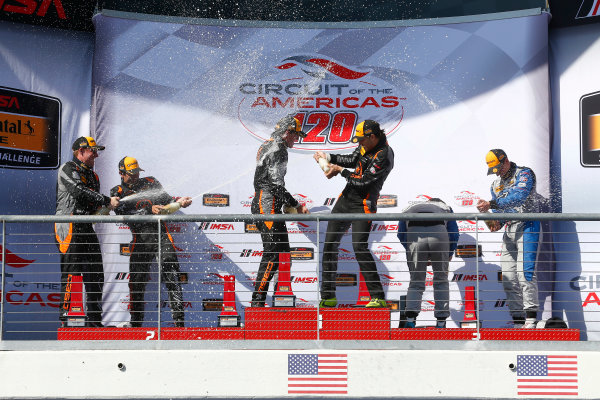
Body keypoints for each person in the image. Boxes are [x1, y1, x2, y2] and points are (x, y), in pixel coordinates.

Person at [314, 120, 394, 308]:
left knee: (359, 247)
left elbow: (363, 182)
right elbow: (352, 160)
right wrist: (327, 156)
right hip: (346, 199)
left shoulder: (384, 155)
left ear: (372, 137)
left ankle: (378, 297)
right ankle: (328, 297)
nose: (359, 143)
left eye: (362, 140)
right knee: (330, 245)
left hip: (363, 204)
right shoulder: (366, 144)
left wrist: (340, 171)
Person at [110, 156, 192, 327]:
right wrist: (149, 209)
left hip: (161, 236)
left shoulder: (150, 181)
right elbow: (124, 215)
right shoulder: (117, 191)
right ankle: (136, 324)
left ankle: (179, 324)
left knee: (172, 277)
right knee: (136, 283)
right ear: (121, 173)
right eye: (131, 174)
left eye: (137, 173)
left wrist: (179, 203)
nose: (135, 177)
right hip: (140, 240)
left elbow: (167, 200)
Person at [55, 136, 120, 327]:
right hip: (69, 223)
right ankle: (69, 321)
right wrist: (107, 200)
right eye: (93, 151)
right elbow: (78, 190)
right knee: (72, 272)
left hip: (86, 225)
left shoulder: (93, 175)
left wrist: (104, 209)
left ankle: (94, 321)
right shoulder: (68, 168)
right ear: (81, 151)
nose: (96, 155)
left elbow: (92, 202)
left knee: (95, 272)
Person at [476, 149, 542, 329]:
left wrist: (492, 204)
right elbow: (497, 222)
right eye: (494, 169)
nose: (497, 172)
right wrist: (487, 214)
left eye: (498, 167)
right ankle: (518, 320)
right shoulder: (495, 184)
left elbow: (519, 197)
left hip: (528, 224)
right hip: (510, 229)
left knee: (525, 274)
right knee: (508, 277)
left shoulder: (524, 173)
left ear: (505, 161)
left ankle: (531, 319)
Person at [250, 115, 309, 307]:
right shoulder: (279, 149)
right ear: (287, 132)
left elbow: (273, 182)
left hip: (269, 203)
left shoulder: (270, 144)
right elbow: (275, 185)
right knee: (273, 253)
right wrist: (295, 204)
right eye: (296, 135)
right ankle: (257, 303)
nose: (297, 139)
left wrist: (285, 204)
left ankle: (281, 298)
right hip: (266, 204)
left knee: (284, 254)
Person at [397, 198, 459, 328]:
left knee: (416, 281)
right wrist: (449, 253)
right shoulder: (445, 207)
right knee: (441, 279)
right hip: (439, 231)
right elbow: (453, 234)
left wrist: (412, 251)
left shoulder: (411, 206)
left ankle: (410, 320)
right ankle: (441, 322)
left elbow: (401, 234)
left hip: (414, 233)